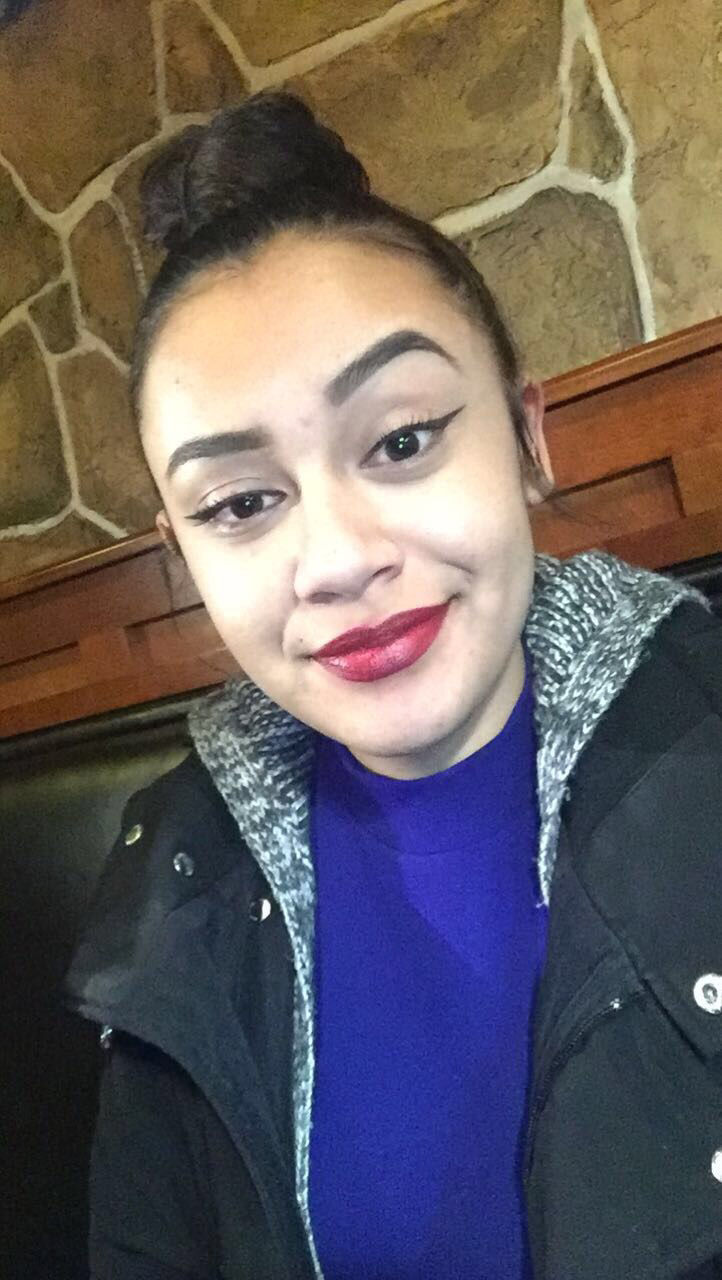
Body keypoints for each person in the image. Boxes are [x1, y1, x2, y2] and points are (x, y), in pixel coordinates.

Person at [63, 90, 722, 1280]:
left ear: (525, 436)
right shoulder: (172, 873)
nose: (335, 558)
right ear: (180, 555)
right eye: (240, 502)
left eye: (402, 439)